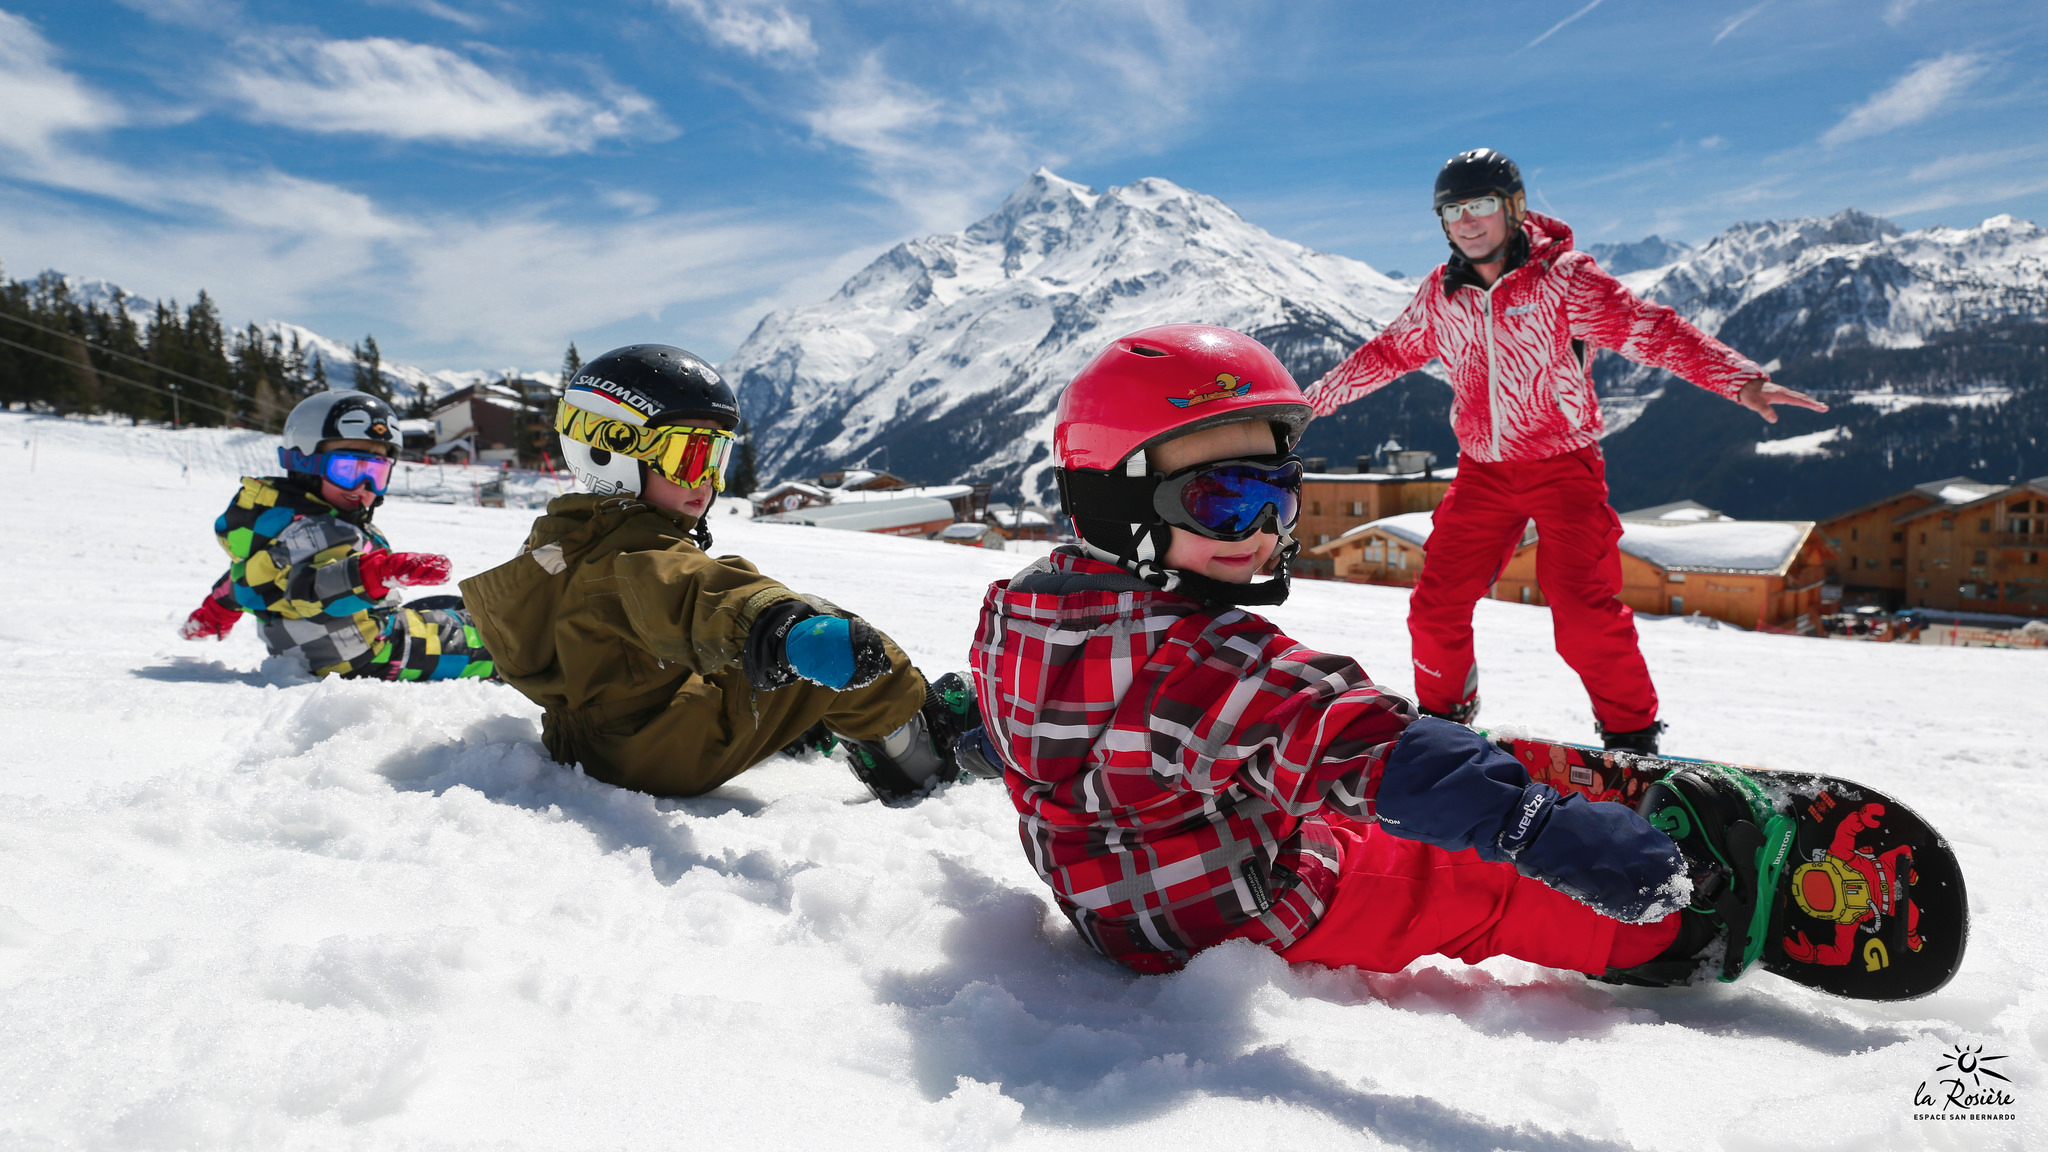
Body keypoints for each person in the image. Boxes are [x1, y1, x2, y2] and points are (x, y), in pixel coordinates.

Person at [969, 323, 1766, 985]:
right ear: (1115, 504)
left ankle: (1458, 805)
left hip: (1119, 897)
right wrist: (1540, 829)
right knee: (1459, 885)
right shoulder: (1212, 660)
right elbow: (1355, 738)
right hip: (1236, 915)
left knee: (1349, 815)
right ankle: (1670, 935)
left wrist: (962, 735)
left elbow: (1016, 715)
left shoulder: (1020, 610)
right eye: (1221, 501)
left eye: (1276, 497)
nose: (1260, 534)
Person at [1309, 149, 1828, 753]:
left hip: (1563, 467)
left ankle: (1632, 738)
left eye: (1480, 206)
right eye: (1452, 211)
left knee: (1583, 612)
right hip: (1483, 473)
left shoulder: (1564, 279)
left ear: (1514, 208)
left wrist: (1739, 379)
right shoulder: (1440, 294)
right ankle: (1445, 721)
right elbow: (1386, 354)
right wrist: (1309, 404)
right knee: (1435, 607)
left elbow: (1649, 329)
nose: (1467, 222)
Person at [458, 344, 983, 802]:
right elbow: (692, 592)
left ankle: (794, 725)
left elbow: (666, 626)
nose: (707, 482)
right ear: (609, 450)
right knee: (832, 628)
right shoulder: (634, 557)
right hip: (658, 749)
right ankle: (918, 751)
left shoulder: (570, 536)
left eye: (716, 459)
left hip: (599, 736)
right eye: (689, 457)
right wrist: (774, 621)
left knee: (751, 659)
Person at [181, 389, 495, 682]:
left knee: (446, 605)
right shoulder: (324, 531)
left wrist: (215, 610)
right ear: (304, 463)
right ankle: (522, 649)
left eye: (377, 473)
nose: (364, 486)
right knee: (492, 639)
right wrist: (382, 571)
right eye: (348, 470)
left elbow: (247, 579)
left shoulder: (278, 524)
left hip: (321, 649)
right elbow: (315, 591)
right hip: (372, 655)